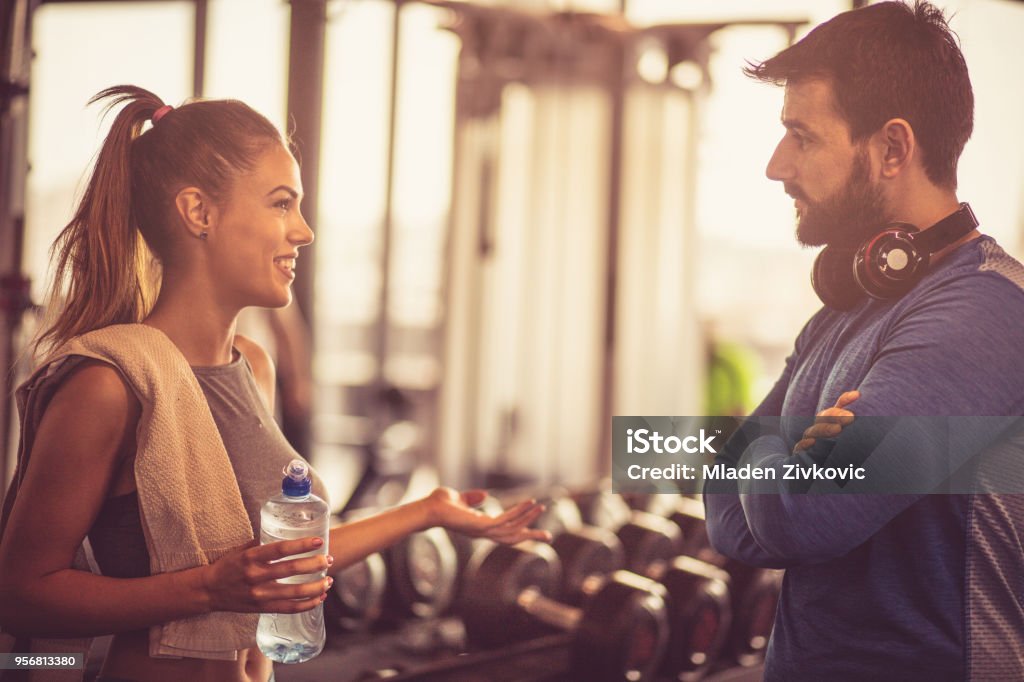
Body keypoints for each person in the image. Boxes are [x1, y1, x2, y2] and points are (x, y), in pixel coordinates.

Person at [0, 85, 549, 682]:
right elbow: (21, 594)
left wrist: (428, 511)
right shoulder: (110, 385)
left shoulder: (252, 366)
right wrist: (208, 588)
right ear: (199, 213)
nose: (304, 231)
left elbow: (280, 564)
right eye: (282, 204)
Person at [702, 2, 1024, 681]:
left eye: (803, 136)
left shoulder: (985, 315)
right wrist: (792, 454)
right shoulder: (850, 309)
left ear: (892, 149)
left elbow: (800, 520)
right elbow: (725, 512)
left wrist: (763, 447)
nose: (775, 165)